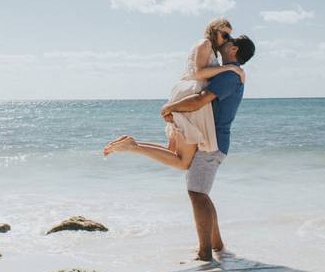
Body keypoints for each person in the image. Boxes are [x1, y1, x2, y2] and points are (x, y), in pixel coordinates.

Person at [161, 34, 255, 261]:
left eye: (228, 40)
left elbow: (200, 100)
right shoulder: (229, 74)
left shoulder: (229, 76)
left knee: (197, 193)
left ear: (233, 49)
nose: (224, 41)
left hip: (213, 144)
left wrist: (169, 107)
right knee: (201, 193)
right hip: (213, 141)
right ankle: (217, 246)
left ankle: (205, 254)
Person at [103, 17, 244, 170]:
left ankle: (132, 144)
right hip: (191, 93)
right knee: (184, 162)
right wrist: (229, 68)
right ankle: (133, 146)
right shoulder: (205, 43)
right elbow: (198, 73)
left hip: (187, 91)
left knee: (173, 151)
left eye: (229, 37)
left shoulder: (208, 48)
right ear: (214, 30)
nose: (226, 40)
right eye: (225, 35)